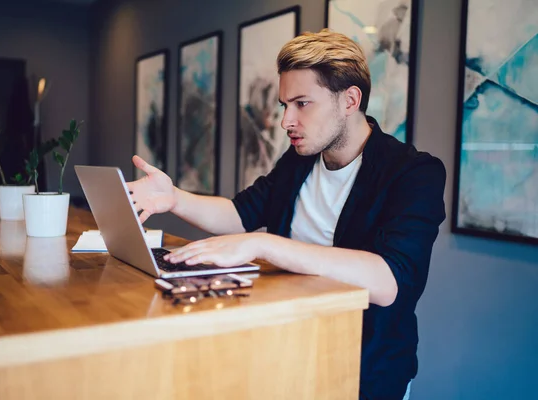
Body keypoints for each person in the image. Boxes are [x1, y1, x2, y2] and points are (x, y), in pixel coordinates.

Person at [127, 29, 446, 400]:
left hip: (364, 372)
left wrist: (262, 245)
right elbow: (240, 213)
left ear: (350, 100)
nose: (285, 121)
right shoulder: (300, 161)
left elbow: (389, 280)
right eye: (284, 105)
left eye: (302, 104)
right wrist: (175, 198)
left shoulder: (414, 173)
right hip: (286, 352)